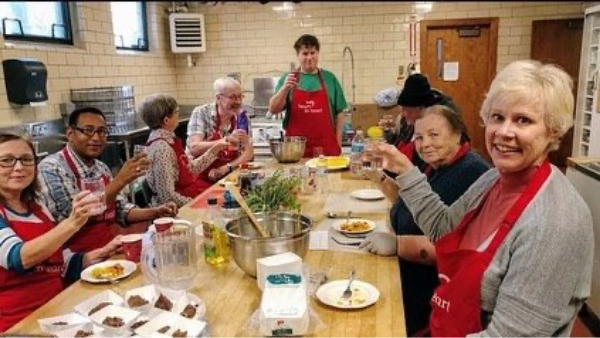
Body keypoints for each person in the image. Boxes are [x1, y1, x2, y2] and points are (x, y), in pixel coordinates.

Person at [364, 60, 593, 337]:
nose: (504, 132)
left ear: (553, 130)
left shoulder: (555, 222)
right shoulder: (493, 179)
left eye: (523, 120)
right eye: (497, 117)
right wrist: (404, 169)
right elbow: (443, 229)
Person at [362, 105, 490, 336]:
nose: (425, 144)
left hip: (429, 297)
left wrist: (398, 245)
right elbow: (409, 205)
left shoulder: (472, 172)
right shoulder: (437, 165)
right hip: (406, 277)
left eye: (434, 135)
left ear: (457, 134)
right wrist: (379, 177)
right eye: (419, 137)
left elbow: (457, 247)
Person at [0, 134, 121, 331]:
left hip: (57, 308)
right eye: (6, 161)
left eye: (26, 159)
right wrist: (73, 222)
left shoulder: (36, 205)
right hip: (19, 323)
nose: (19, 167)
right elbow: (18, 258)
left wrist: (97, 255)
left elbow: (59, 259)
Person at [38, 107, 178, 253]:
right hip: (79, 258)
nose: (96, 138)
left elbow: (120, 210)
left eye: (102, 131)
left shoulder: (101, 167)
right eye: (88, 130)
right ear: (70, 134)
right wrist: (120, 181)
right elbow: (70, 219)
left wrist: (156, 212)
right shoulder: (52, 168)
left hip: (111, 248)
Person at [269, 34, 349, 157]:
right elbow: (273, 109)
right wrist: (285, 88)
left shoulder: (330, 79)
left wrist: (338, 143)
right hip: (295, 152)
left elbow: (340, 113)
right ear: (298, 55)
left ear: (318, 53)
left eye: (313, 52)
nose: (309, 57)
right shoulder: (288, 79)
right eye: (305, 53)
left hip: (326, 151)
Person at [141, 94, 227, 207]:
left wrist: (215, 149)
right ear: (166, 120)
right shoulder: (161, 148)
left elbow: (190, 170)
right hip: (173, 209)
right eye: (176, 111)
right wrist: (197, 203)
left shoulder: (169, 140)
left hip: (186, 195)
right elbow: (167, 197)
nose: (179, 114)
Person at [379, 73, 459, 168]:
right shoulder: (407, 124)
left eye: (406, 109)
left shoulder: (432, 134)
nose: (403, 113)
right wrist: (388, 131)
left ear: (421, 108)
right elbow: (396, 145)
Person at [187, 77, 254, 182]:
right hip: (199, 177)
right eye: (233, 97)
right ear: (218, 98)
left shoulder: (242, 117)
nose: (238, 101)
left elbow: (249, 152)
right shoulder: (202, 113)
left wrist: (227, 167)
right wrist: (226, 141)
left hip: (228, 177)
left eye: (240, 97)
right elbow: (194, 148)